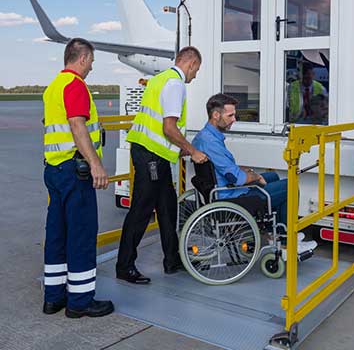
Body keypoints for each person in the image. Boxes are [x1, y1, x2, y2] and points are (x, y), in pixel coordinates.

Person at [116, 46, 208, 283]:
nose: (195, 75)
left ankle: (172, 259)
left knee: (167, 206)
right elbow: (169, 127)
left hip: (155, 155)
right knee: (141, 209)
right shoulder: (175, 84)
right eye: (196, 69)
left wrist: (176, 152)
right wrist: (192, 151)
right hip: (150, 156)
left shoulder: (159, 79)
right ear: (190, 64)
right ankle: (124, 266)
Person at [42, 38, 114, 318]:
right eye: (92, 62)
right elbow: (76, 125)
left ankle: (54, 298)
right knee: (81, 234)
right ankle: (80, 302)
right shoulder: (75, 85)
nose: (92, 68)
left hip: (54, 169)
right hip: (75, 171)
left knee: (57, 234)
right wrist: (95, 164)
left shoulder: (52, 88)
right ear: (82, 59)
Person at [192, 93, 317, 252]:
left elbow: (223, 168)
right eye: (230, 115)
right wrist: (255, 176)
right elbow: (236, 178)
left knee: (272, 177)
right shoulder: (211, 143)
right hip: (232, 197)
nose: (234, 119)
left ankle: (278, 234)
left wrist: (245, 171)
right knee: (289, 186)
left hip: (224, 188)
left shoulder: (204, 136)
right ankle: (286, 241)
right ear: (216, 115)